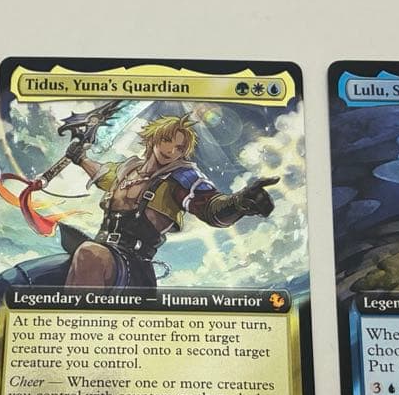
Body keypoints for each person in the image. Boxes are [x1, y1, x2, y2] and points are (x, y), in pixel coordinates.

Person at [61, 113, 278, 288]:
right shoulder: (127, 171)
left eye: (179, 148)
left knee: (89, 254)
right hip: (102, 251)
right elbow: (102, 174)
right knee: (52, 271)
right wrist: (80, 157)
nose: (171, 150)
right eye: (166, 140)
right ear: (153, 138)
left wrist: (239, 202)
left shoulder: (181, 178)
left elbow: (211, 208)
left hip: (133, 267)